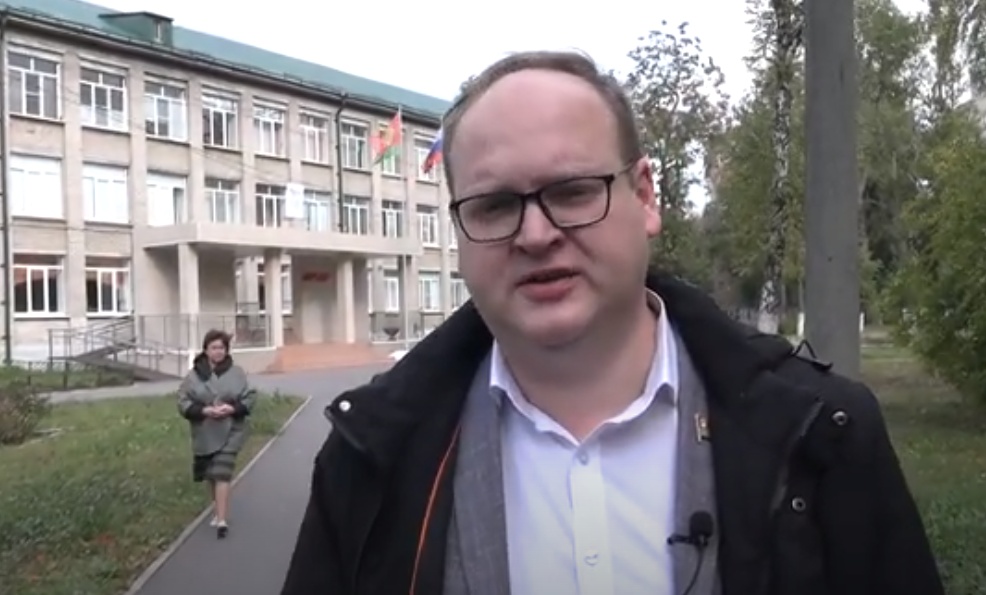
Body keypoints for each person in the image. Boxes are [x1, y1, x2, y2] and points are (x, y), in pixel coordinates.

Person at [280, 51, 943, 595]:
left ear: (646, 196)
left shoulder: (824, 432)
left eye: (572, 192)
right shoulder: (368, 455)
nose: (535, 235)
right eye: (494, 206)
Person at [178, 329, 256, 539]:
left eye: (221, 348)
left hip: (232, 430)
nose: (218, 352)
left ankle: (222, 520)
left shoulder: (237, 373)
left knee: (222, 472)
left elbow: (249, 397)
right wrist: (204, 411)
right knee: (211, 474)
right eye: (214, 348)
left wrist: (232, 408)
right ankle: (217, 508)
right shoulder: (194, 376)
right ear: (206, 350)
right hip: (205, 431)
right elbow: (183, 401)